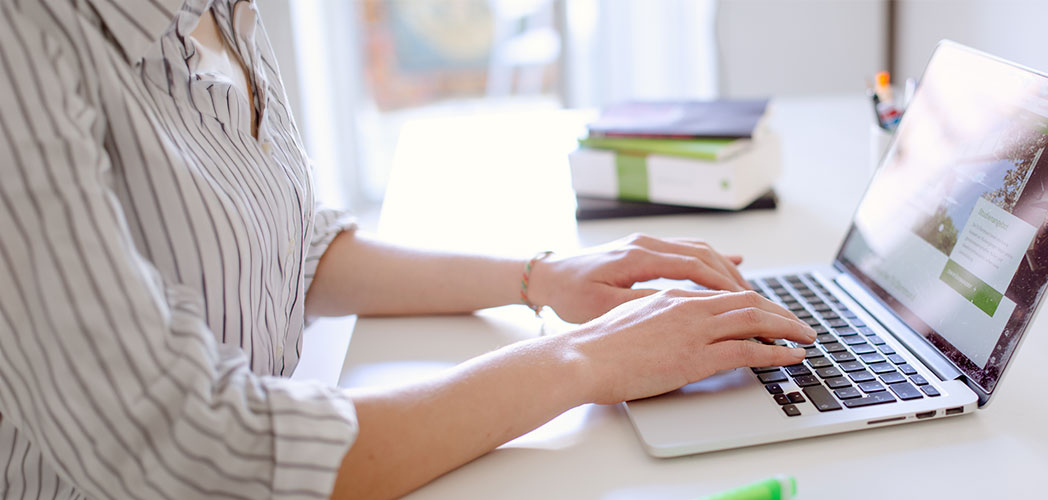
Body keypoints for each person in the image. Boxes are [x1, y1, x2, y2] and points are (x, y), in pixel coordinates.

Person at [0, 1, 814, 498]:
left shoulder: (219, 11)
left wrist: (540, 278)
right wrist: (587, 361)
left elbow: (294, 247)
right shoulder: (24, 42)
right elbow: (199, 458)